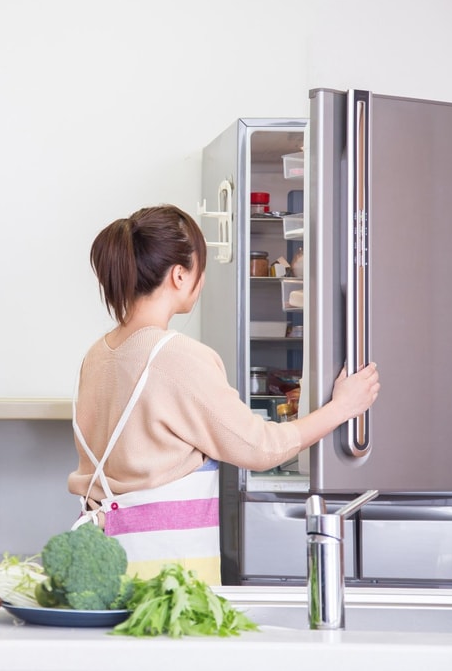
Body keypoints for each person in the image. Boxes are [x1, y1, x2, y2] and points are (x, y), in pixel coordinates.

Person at [68, 204, 380, 585]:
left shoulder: (97, 355)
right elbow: (260, 448)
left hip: (100, 560)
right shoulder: (177, 356)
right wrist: (341, 408)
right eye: (200, 269)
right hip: (164, 573)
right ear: (179, 275)